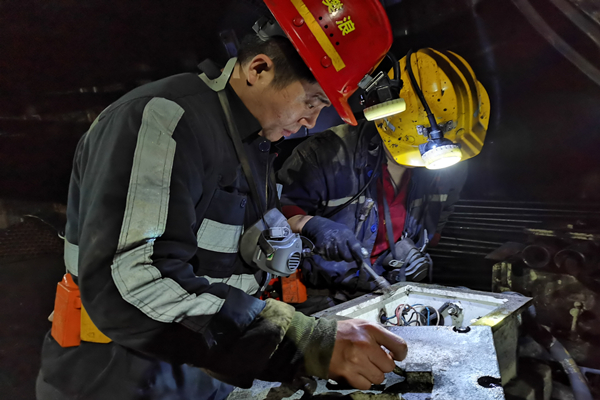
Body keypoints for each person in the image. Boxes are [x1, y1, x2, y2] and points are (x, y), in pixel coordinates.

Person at [36, 2, 408, 399]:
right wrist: (303, 342)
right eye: (312, 101)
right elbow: (134, 284)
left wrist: (304, 233)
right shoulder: (163, 121)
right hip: (119, 376)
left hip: (199, 367)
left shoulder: (252, 141)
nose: (312, 121)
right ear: (259, 69)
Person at [278, 48, 491, 312]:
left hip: (390, 290)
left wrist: (410, 249)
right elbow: (274, 214)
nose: (437, 155)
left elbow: (437, 224)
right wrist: (308, 224)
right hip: (322, 293)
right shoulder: (325, 154)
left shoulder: (450, 164)